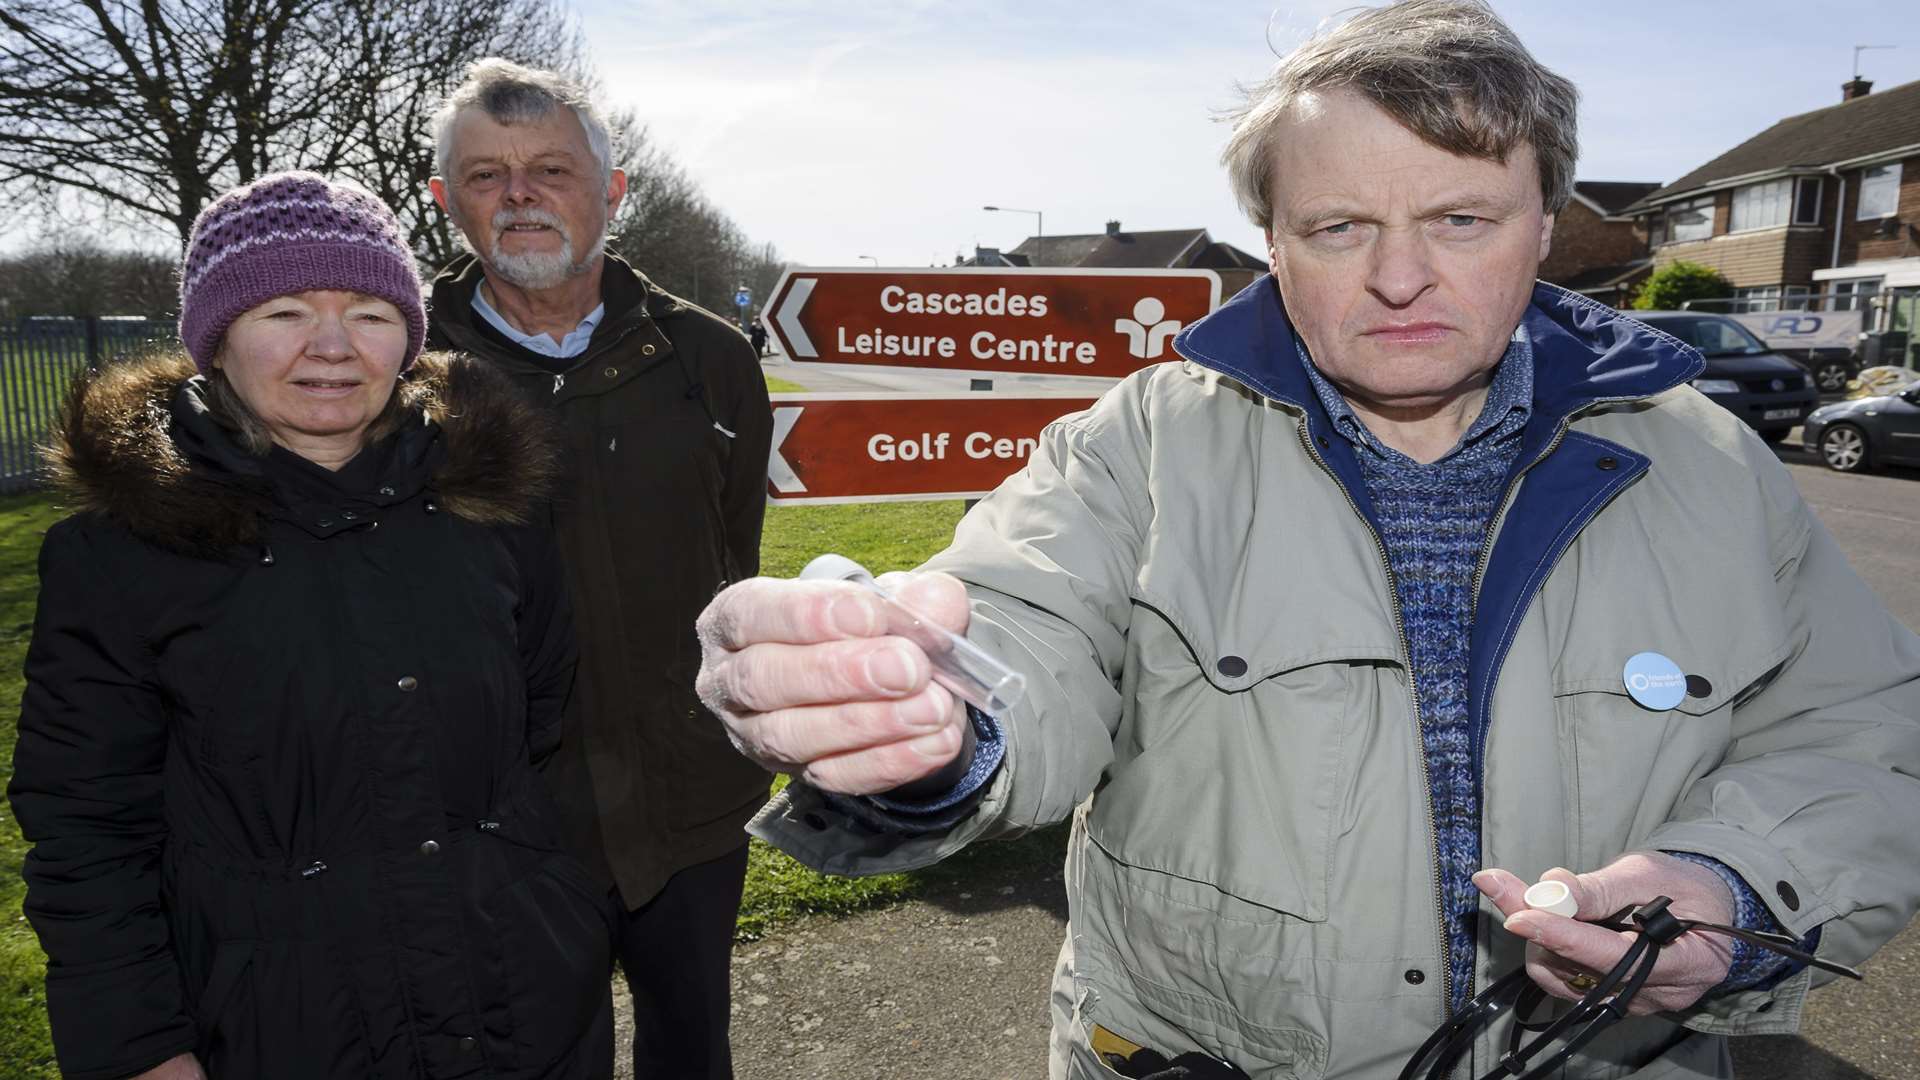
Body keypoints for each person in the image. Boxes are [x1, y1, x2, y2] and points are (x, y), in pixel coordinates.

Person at [693, 3, 1920, 1077]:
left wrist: (1733, 886)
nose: (1401, 278)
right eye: (1338, 228)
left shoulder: (1709, 462)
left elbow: (1859, 734)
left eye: (1461, 219)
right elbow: (1024, 621)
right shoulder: (1140, 446)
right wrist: (935, 726)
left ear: (1546, 223)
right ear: (1271, 242)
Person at [8, 171, 613, 1079]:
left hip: (523, 1004)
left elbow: (538, 715)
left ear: (407, 338)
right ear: (217, 340)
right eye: (284, 311)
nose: (332, 345)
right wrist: (138, 1048)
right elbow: (89, 827)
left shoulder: (493, 510)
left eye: (370, 311)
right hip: (279, 1026)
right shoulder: (120, 556)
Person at [424, 59, 775, 1080]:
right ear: (447, 203)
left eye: (552, 171)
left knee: (691, 1051)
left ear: (613, 192)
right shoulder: (404, 375)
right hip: (501, 820)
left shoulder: (709, 360)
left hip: (692, 800)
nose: (521, 196)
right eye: (486, 176)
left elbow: (733, 561)